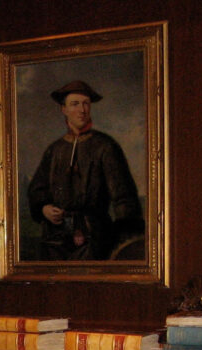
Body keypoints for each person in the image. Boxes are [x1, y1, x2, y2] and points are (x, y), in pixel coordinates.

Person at [27, 79, 144, 260]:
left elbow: (124, 198)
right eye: (75, 104)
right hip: (54, 240)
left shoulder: (105, 146)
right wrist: (44, 209)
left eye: (86, 104)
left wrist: (124, 237)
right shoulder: (54, 150)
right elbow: (37, 190)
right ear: (64, 109)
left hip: (94, 238)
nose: (82, 110)